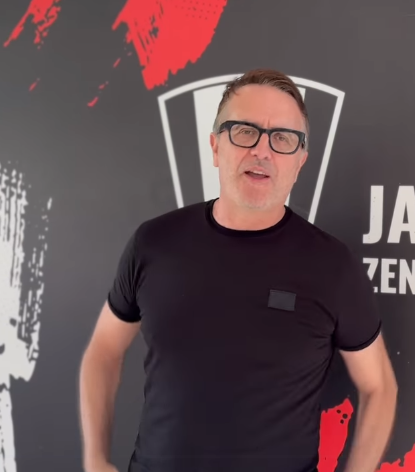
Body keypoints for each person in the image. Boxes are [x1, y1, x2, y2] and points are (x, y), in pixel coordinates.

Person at [78, 68, 398, 472]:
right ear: (215, 146)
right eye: (245, 132)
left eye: (283, 138)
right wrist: (95, 458)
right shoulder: (154, 243)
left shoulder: (333, 266)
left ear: (300, 162)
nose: (262, 151)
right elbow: (104, 349)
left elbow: (379, 386)